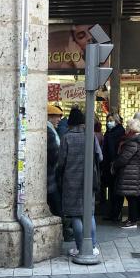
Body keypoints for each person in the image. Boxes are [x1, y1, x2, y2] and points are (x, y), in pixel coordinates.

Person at [60, 107, 104, 254]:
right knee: (89, 214)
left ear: (70, 123)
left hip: (71, 180)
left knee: (76, 215)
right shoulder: (90, 135)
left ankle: (80, 248)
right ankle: (93, 246)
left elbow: (61, 161)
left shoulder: (67, 137)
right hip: (89, 180)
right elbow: (100, 156)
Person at [101, 113, 124, 220]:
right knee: (111, 189)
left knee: (115, 190)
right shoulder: (110, 132)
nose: (108, 122)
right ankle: (112, 213)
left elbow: (113, 150)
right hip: (109, 164)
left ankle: (116, 213)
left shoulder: (118, 132)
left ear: (116, 121)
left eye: (111, 120)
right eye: (107, 120)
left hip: (113, 164)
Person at [46, 105, 63, 218]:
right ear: (49, 117)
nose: (59, 120)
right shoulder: (50, 132)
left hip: (50, 176)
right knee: (57, 208)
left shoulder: (51, 130)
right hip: (50, 177)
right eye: (57, 117)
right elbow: (53, 157)